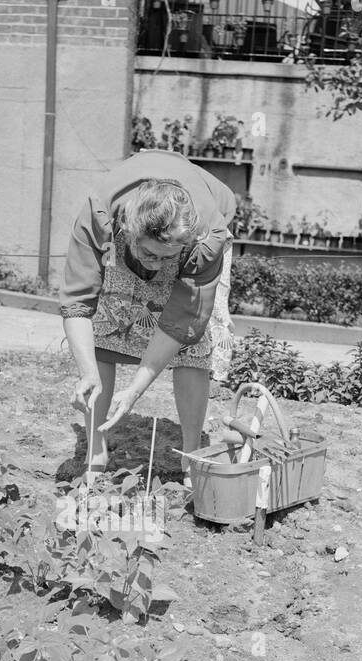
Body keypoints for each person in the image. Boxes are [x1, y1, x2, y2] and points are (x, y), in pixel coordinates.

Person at [60, 149, 236, 482]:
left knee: (193, 348)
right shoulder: (99, 214)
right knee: (105, 323)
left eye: (167, 257)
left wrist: (136, 389)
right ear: (127, 229)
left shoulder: (206, 236)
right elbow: (78, 300)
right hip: (124, 232)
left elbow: (183, 320)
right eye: (149, 253)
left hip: (201, 233)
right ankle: (96, 449)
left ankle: (191, 454)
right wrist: (86, 373)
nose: (156, 264)